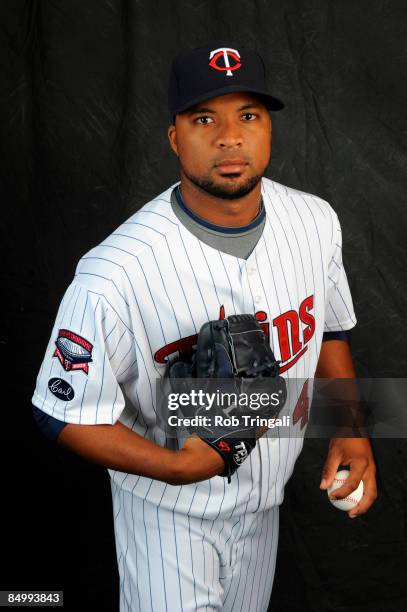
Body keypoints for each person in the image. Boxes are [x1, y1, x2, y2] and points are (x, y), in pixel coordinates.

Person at [32, 41, 377, 612]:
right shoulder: (115, 272)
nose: (229, 137)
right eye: (203, 118)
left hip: (266, 502)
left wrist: (351, 427)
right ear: (175, 137)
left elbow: (331, 331)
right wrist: (176, 467)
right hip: (169, 518)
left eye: (248, 115)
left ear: (268, 127)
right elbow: (59, 413)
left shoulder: (315, 222)